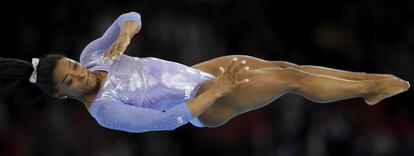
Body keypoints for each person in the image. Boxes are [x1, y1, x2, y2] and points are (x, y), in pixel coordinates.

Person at [0, 12, 410, 133]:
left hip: (192, 74)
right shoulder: (104, 111)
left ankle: (366, 85)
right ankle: (370, 87)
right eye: (72, 81)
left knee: (287, 68)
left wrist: (125, 32)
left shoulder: (93, 55)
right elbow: (168, 120)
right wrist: (219, 90)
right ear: (60, 96)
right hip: (201, 104)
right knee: (292, 82)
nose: (81, 75)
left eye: (74, 66)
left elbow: (133, 15)